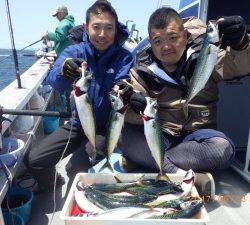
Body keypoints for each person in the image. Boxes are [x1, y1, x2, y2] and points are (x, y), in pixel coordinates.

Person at [121, 7, 250, 197]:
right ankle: (185, 175)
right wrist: (132, 105)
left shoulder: (207, 55)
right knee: (125, 138)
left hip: (198, 135)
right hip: (162, 134)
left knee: (223, 149)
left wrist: (242, 43)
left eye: (172, 37)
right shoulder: (141, 72)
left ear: (185, 34)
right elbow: (130, 117)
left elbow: (240, 64)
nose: (166, 47)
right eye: (158, 41)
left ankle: (158, 164)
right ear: (151, 43)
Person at [25, 0, 134, 192]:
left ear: (116, 29)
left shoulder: (124, 57)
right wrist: (65, 71)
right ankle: (53, 183)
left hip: (105, 128)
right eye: (96, 27)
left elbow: (124, 81)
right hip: (77, 124)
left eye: (109, 28)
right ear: (86, 27)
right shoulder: (74, 51)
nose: (102, 34)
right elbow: (54, 81)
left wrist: (124, 89)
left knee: (75, 168)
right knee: (35, 160)